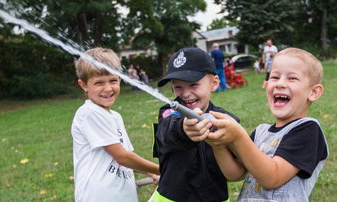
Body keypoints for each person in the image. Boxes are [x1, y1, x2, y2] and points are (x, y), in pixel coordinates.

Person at [191, 48, 328, 201]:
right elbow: (235, 174)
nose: (280, 84)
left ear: (314, 92)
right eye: (274, 77)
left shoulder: (308, 130)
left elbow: (272, 178)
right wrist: (218, 144)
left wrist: (237, 137)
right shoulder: (261, 132)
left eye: (292, 78)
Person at [71, 47, 160, 202]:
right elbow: (123, 157)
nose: (108, 88)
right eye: (99, 83)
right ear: (84, 85)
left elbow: (126, 159)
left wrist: (151, 173)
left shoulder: (115, 117)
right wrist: (163, 170)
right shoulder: (89, 113)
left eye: (113, 80)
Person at [152, 47, 240, 201]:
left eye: (193, 85)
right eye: (178, 87)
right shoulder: (168, 112)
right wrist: (183, 129)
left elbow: (239, 163)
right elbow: (168, 130)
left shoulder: (227, 120)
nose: (185, 94)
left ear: (214, 83)